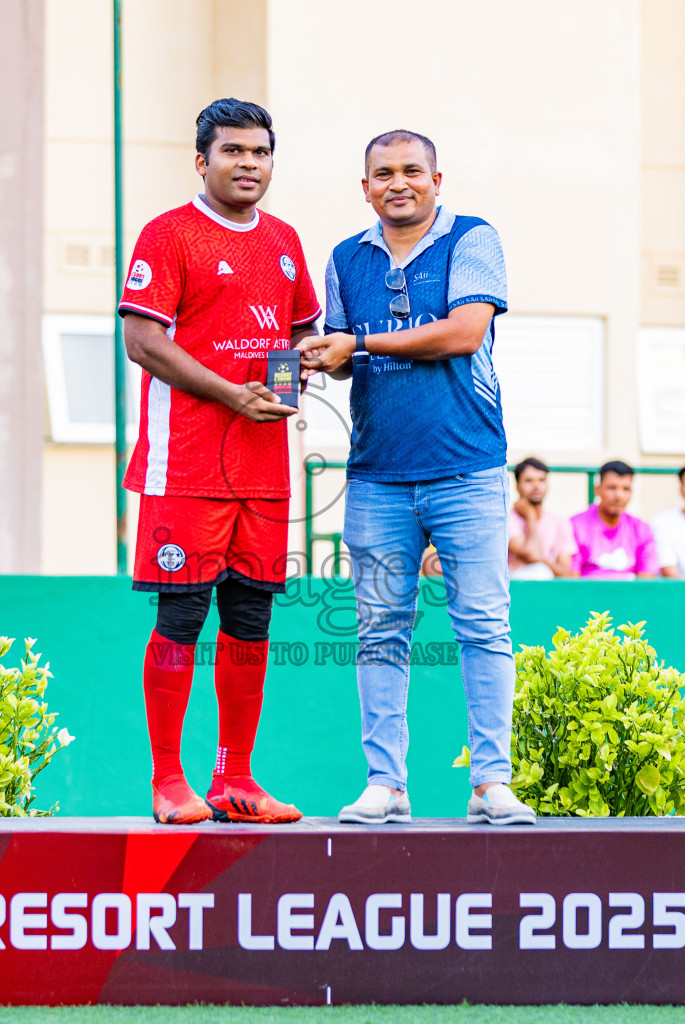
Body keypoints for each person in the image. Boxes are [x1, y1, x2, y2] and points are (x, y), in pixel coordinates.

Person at [298, 129, 534, 826]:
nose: (397, 183)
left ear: (437, 179)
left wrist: (359, 343)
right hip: (376, 474)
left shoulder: (473, 239)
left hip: (468, 467)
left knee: (484, 626)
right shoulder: (345, 258)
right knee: (379, 632)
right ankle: (386, 785)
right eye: (382, 174)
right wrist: (320, 357)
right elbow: (344, 360)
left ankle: (491, 783)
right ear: (364, 186)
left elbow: (464, 333)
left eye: (411, 171)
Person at [119, 98, 320, 825]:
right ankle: (168, 781)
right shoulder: (169, 235)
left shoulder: (287, 242)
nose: (249, 165)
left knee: (250, 617)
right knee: (182, 614)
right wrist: (234, 397)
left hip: (264, 472)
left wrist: (292, 384)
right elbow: (142, 342)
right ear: (201, 160)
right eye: (233, 151)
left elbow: (297, 342)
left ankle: (235, 779)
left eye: (261, 152)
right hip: (188, 468)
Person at [570, 461, 658, 579]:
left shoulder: (641, 528)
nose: (619, 495)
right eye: (612, 488)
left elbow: (646, 581)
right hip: (588, 595)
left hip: (630, 596)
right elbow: (571, 580)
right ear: (597, 490)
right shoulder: (576, 526)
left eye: (626, 489)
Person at [508, 457, 575, 580]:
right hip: (516, 589)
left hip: (550, 591)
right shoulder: (508, 519)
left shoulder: (560, 522)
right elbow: (530, 553)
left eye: (541, 480)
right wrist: (530, 515)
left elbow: (566, 573)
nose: (536, 485)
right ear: (517, 486)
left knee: (541, 570)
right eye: (529, 480)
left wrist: (542, 559)